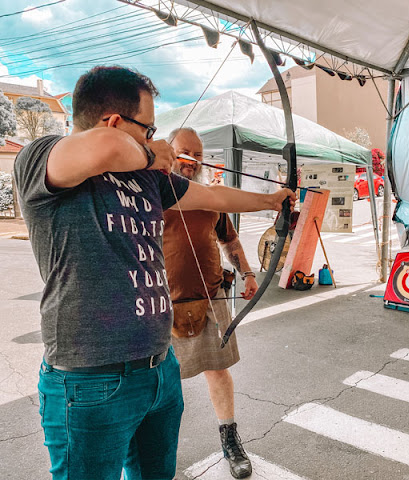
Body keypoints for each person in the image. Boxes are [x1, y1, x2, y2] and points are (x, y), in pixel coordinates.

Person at [13, 66, 295, 480]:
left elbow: (211, 194)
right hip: (90, 379)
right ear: (113, 121)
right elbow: (105, 147)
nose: (153, 138)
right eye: (148, 128)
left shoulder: (146, 178)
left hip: (159, 370)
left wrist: (270, 200)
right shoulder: (41, 158)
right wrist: (151, 152)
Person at [163, 127, 257, 479]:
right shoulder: (152, 193)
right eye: (185, 152)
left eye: (199, 154)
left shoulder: (208, 197)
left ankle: (230, 440)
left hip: (211, 295)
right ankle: (153, 455)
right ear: (169, 152)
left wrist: (247, 272)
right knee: (157, 381)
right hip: (162, 303)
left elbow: (229, 241)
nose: (193, 160)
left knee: (218, 371)